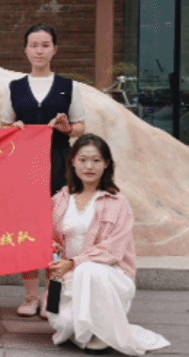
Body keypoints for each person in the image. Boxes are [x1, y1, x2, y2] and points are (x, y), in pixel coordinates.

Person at [46, 134, 170, 355]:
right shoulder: (60, 200)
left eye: (96, 160)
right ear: (73, 161)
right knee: (64, 324)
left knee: (89, 269)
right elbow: (48, 239)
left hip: (109, 276)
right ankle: (93, 328)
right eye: (83, 160)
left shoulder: (117, 203)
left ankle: (100, 333)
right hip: (68, 277)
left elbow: (112, 251)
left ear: (106, 164)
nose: (89, 166)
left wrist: (74, 262)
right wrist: (54, 251)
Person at [0, 24, 86, 317]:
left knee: (57, 229)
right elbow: (5, 125)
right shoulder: (14, 87)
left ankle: (53, 296)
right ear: (26, 50)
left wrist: (68, 128)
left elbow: (81, 126)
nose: (39, 51)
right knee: (27, 228)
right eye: (34, 45)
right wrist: (14, 128)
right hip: (25, 165)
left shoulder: (68, 86)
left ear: (54, 50)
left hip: (59, 161)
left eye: (45, 45)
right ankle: (30, 296)